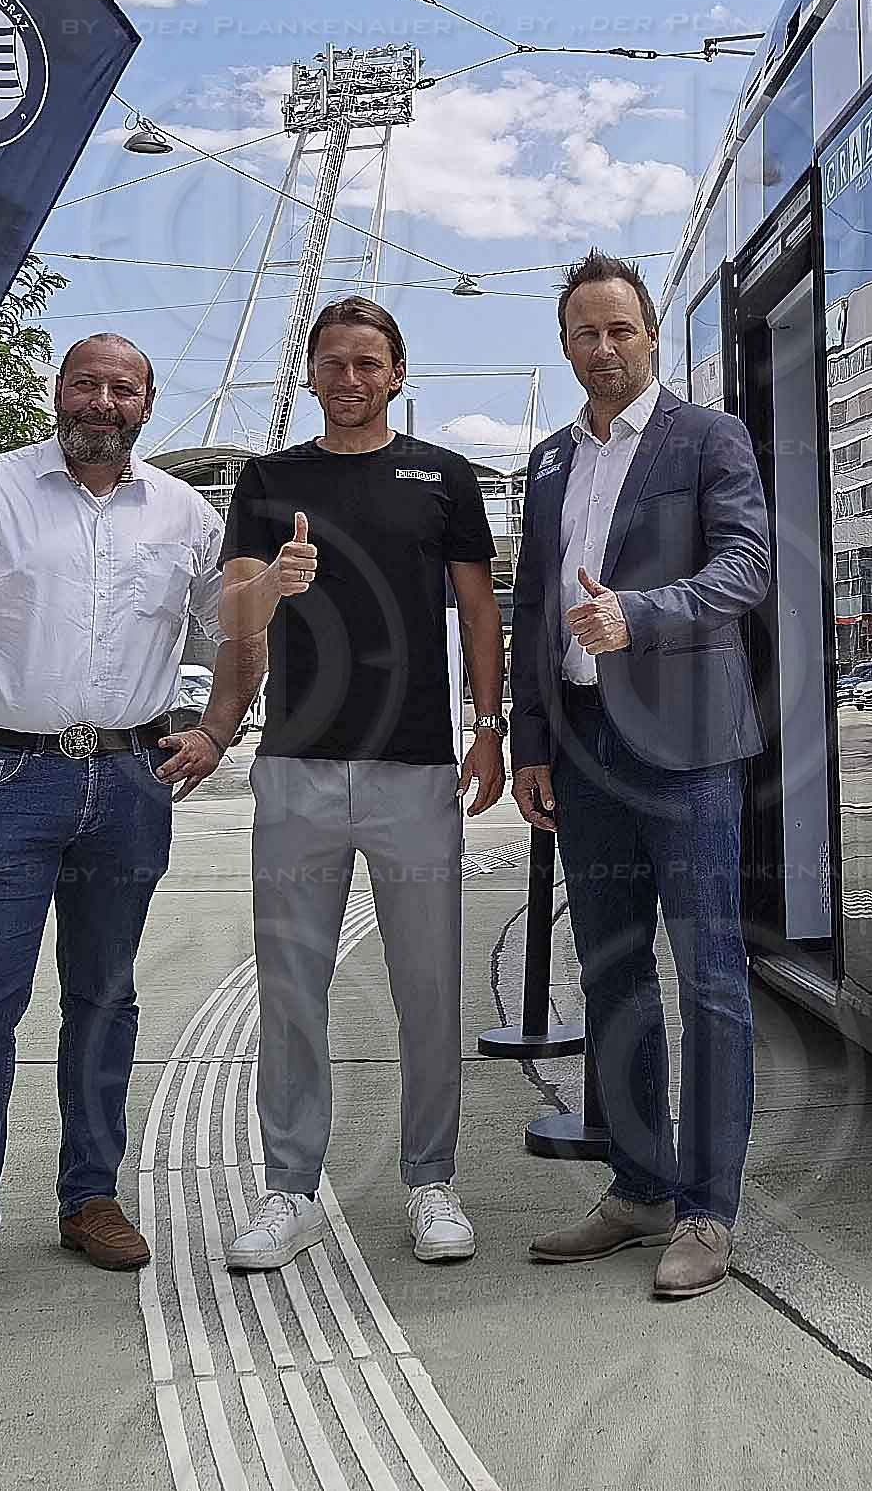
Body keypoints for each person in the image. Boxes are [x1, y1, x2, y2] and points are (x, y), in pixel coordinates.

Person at [0, 333, 227, 1319]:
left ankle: (90, 1198)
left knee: (105, 1000)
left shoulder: (186, 515)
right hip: (10, 777)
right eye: (87, 384)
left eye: (124, 388)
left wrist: (220, 726)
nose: (103, 401)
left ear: (148, 403)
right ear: (58, 392)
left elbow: (235, 625)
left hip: (131, 777)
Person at [202, 297, 504, 1274]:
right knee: (292, 992)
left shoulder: (444, 478)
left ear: (397, 373)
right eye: (333, 361)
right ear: (313, 375)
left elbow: (479, 614)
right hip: (296, 771)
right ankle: (289, 1187)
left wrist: (489, 727)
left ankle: (431, 1182)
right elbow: (233, 616)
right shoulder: (268, 479)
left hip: (416, 773)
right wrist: (272, 587)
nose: (348, 377)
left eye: (368, 361)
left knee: (427, 990)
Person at [510, 251, 768, 1302]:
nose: (604, 350)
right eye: (585, 334)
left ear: (652, 335)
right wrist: (529, 739)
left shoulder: (708, 438)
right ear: (565, 345)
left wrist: (641, 613)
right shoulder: (546, 461)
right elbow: (534, 602)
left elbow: (747, 567)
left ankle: (708, 1209)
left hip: (689, 749)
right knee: (612, 975)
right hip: (581, 746)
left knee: (707, 977)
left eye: (621, 331)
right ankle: (638, 1187)